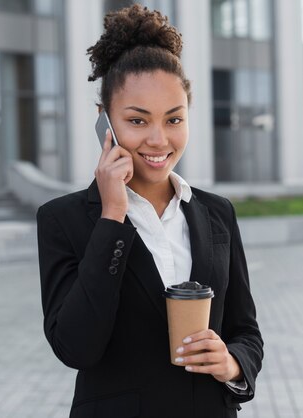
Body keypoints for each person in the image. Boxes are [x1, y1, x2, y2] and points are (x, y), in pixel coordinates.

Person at [36, 5, 263, 417]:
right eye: (138, 121)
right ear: (105, 122)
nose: (159, 140)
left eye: (174, 119)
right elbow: (75, 347)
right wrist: (112, 217)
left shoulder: (217, 214)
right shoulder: (63, 220)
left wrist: (231, 363)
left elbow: (245, 330)